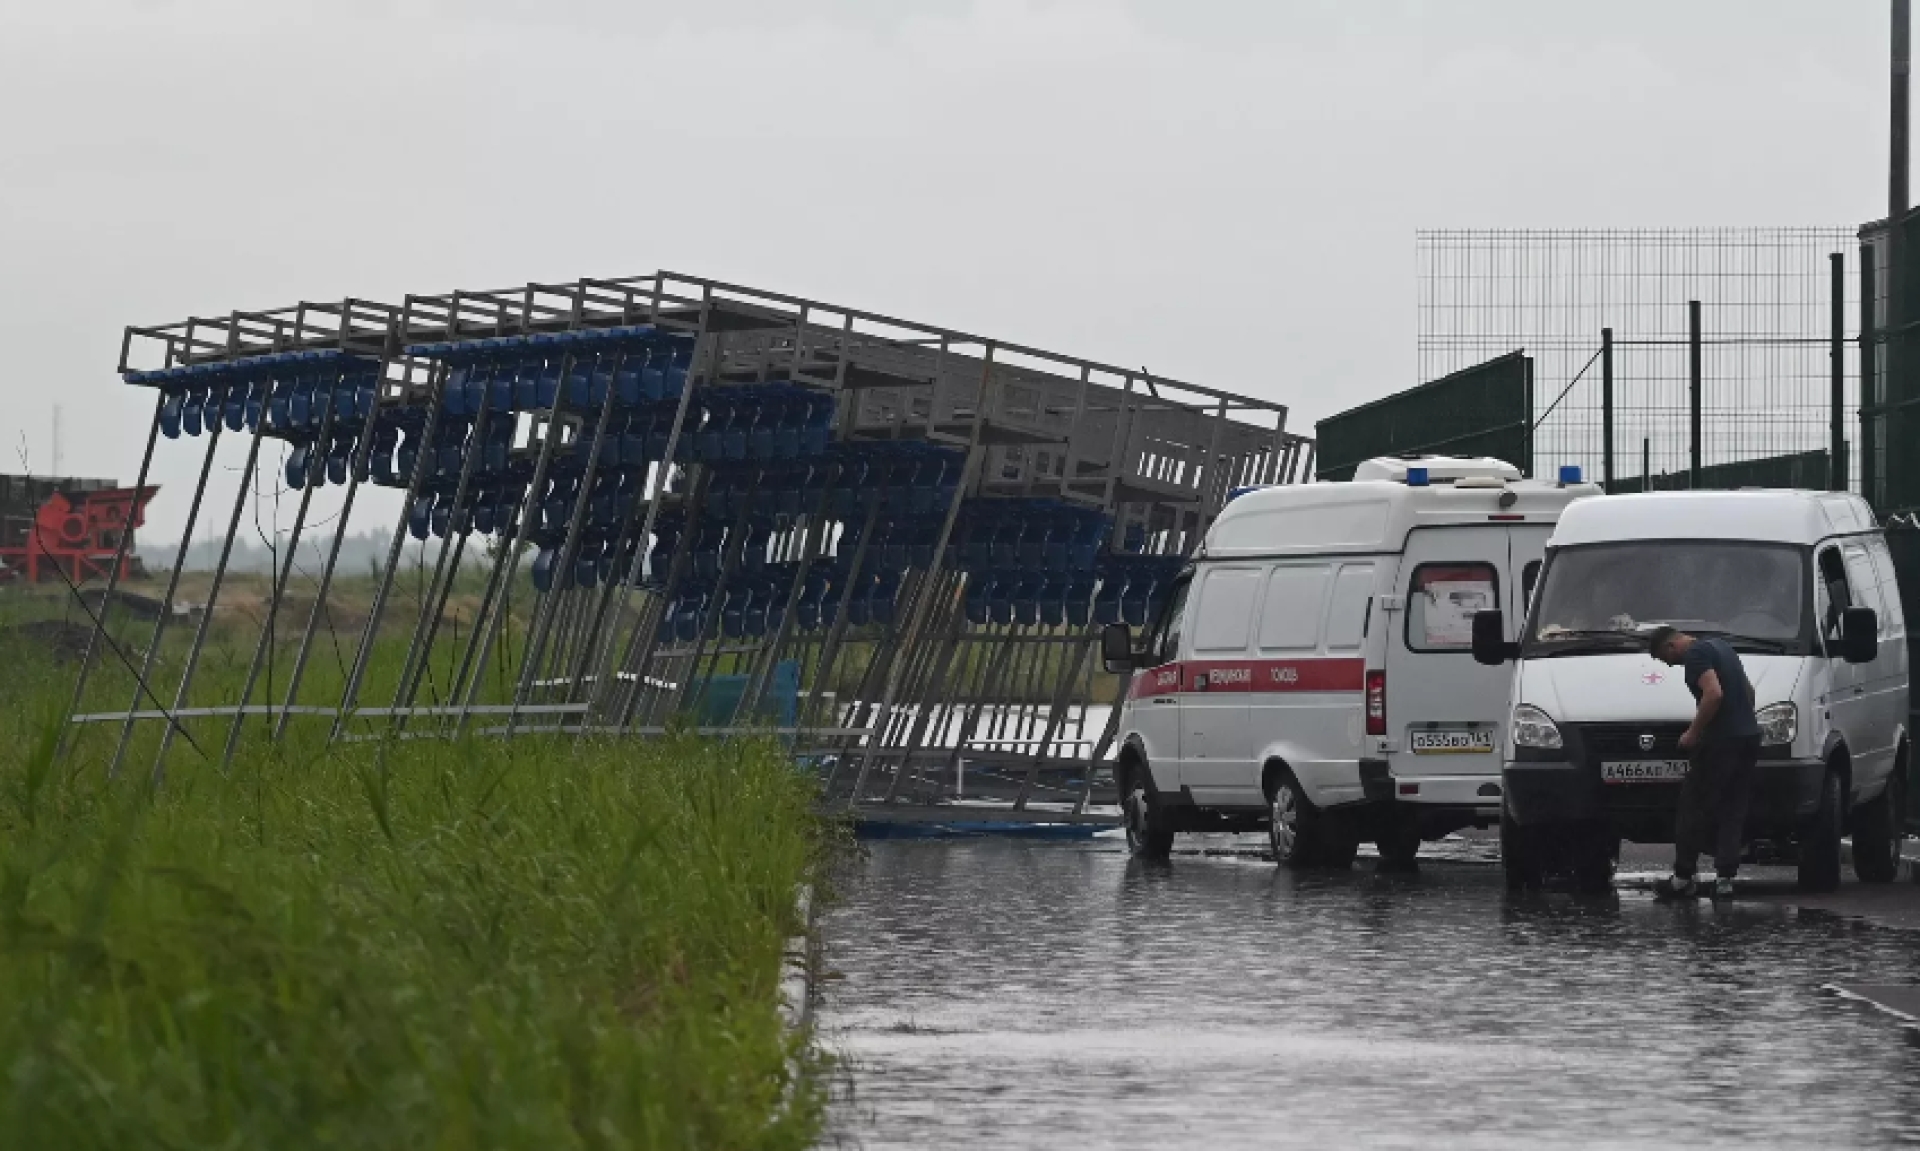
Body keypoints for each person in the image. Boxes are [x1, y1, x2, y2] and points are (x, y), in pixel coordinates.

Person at [1648, 626, 1762, 901]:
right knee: (1732, 808)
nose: (1670, 664)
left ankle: (1682, 878)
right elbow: (1749, 691)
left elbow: (1714, 693)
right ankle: (1724, 880)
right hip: (1748, 737)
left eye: (1666, 659)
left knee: (1693, 807)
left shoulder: (1695, 654)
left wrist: (1693, 732)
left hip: (1720, 742)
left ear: (1671, 646)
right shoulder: (1722, 647)